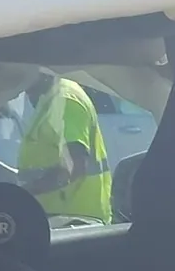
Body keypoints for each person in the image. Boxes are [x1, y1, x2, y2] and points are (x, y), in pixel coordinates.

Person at [17, 71, 110, 222]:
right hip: (61, 217)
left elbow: (74, 166)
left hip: (74, 219)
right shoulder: (51, 97)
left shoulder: (66, 100)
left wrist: (25, 193)